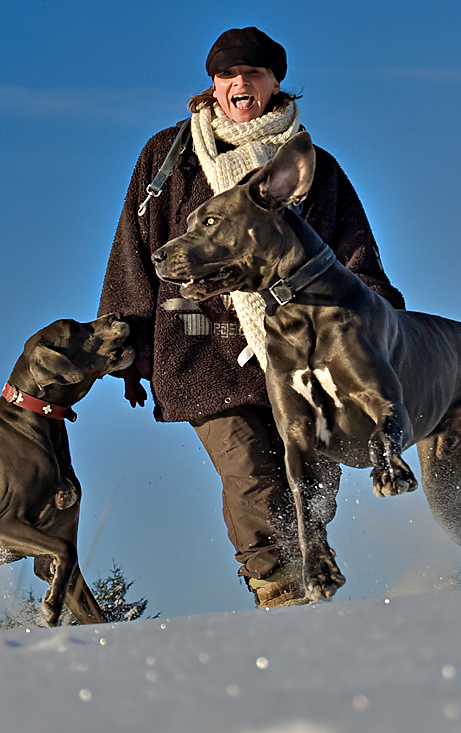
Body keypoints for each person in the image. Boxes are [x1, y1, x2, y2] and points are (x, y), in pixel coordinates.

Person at [98, 27, 404, 608]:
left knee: (310, 482)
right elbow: (135, 248)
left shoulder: (311, 166)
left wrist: (377, 314)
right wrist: (128, 337)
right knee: (250, 472)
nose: (241, 85)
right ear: (212, 85)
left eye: (255, 74)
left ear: (276, 83)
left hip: (306, 347)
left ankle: (310, 569)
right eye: (227, 76)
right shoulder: (170, 158)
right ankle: (278, 588)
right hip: (201, 345)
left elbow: (351, 249)